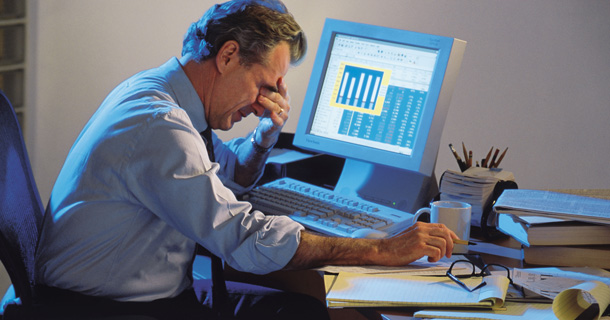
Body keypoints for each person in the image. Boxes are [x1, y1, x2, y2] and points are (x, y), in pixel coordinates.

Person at [34, 0, 457, 319]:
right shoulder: (160, 128)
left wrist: (263, 139)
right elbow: (244, 240)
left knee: (300, 307)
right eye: (264, 85)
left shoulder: (160, 92)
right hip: (102, 309)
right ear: (228, 55)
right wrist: (380, 249)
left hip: (122, 292)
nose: (265, 104)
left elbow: (219, 177)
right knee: (310, 312)